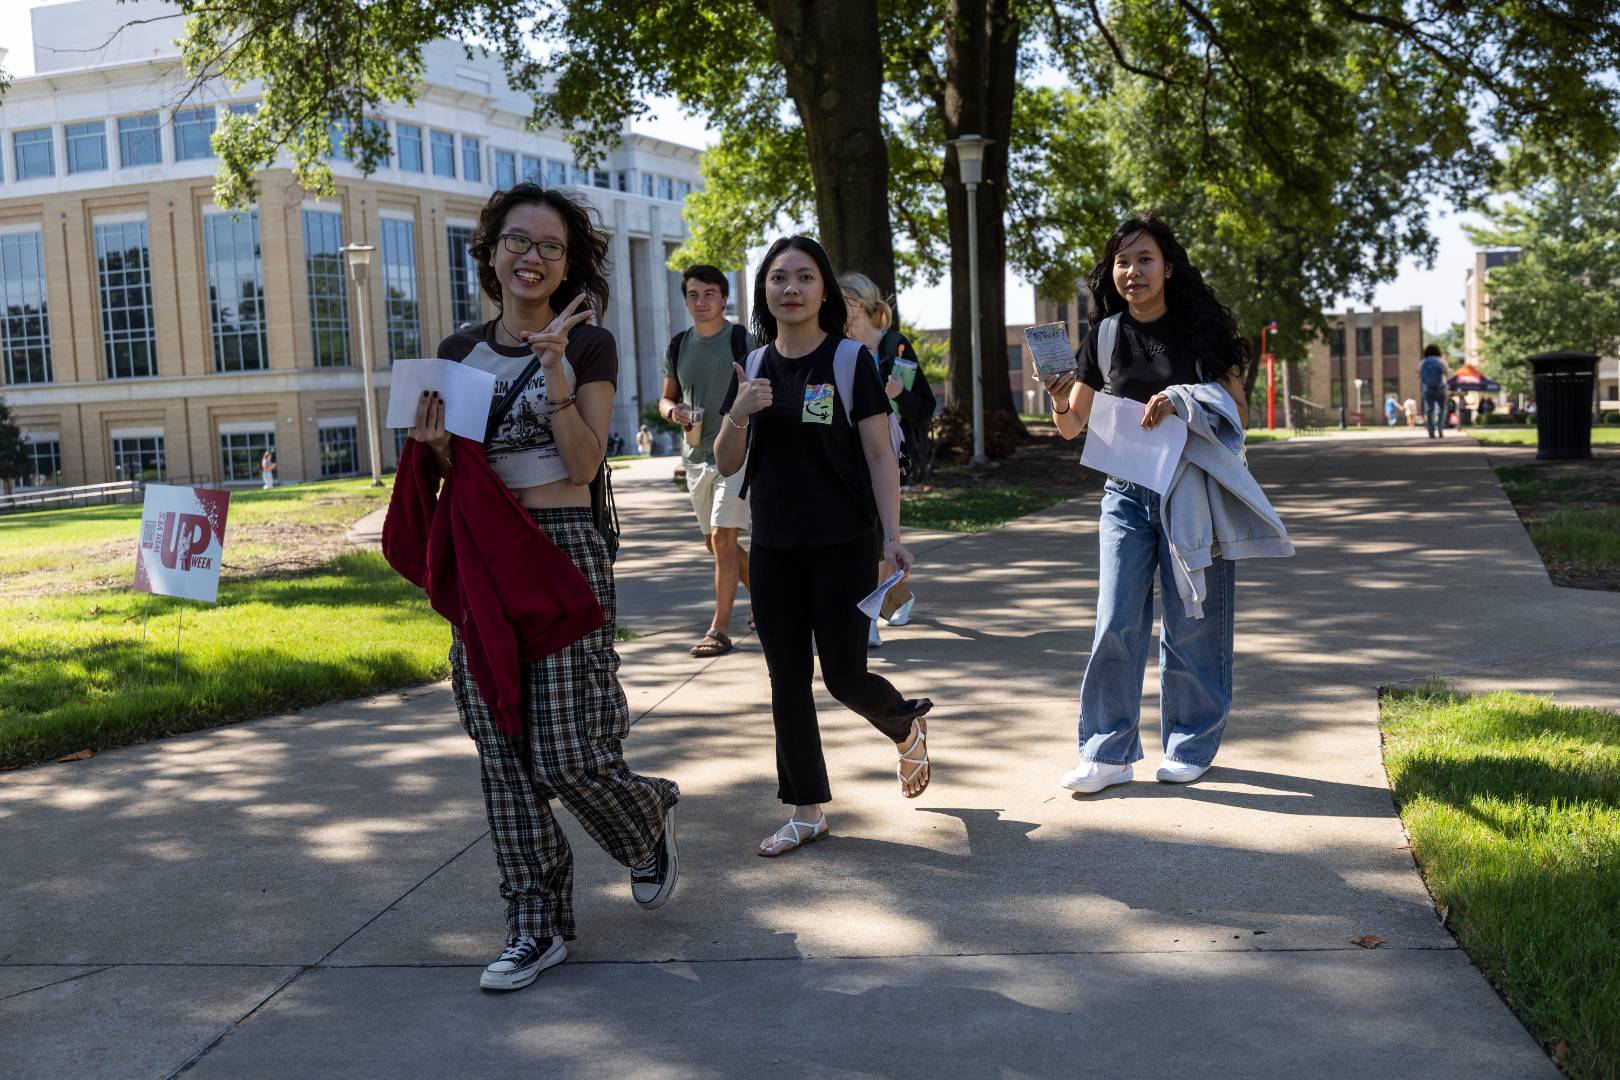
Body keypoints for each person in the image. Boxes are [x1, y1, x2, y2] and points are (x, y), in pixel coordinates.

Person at [407, 183, 678, 992]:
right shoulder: (457, 352)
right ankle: (535, 924)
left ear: (569, 264)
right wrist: (436, 450)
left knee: (564, 753)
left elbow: (585, 463)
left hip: (563, 546)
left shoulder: (589, 344)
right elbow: (464, 470)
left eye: (550, 246)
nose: (532, 257)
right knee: (501, 752)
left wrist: (554, 367)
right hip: (484, 550)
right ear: (490, 253)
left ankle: (643, 815)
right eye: (517, 242)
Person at [713, 235, 934, 857]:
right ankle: (805, 810)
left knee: (843, 676)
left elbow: (878, 454)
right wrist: (739, 413)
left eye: (804, 277)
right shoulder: (753, 366)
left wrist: (892, 539)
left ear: (824, 291)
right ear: (764, 290)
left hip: (844, 540)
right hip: (777, 544)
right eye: (779, 277)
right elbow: (728, 462)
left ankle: (903, 721)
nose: (790, 288)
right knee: (786, 678)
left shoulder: (848, 360)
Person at [1042, 212, 1250, 792]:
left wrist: (1181, 397)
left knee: (1192, 623)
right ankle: (1107, 751)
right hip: (1124, 494)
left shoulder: (1201, 332)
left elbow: (1238, 415)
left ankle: (1191, 741)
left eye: (1145, 259)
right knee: (1115, 618)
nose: (1132, 271)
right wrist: (1061, 400)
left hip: (1192, 491)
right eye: (1122, 261)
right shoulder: (1104, 335)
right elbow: (1071, 425)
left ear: (1168, 266)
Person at [659, 265, 755, 658]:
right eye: (694, 295)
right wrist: (672, 413)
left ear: (724, 297)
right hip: (695, 455)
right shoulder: (679, 344)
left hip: (735, 452)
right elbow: (665, 398)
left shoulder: (741, 340)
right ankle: (770, 603)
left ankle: (719, 629)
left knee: (722, 537)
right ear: (686, 299)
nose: (701, 302)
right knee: (715, 544)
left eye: (710, 293)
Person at [839, 271, 934, 647]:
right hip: (849, 458)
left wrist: (898, 392)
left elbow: (925, 407)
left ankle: (869, 621)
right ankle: (899, 597)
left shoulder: (894, 346)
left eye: (840, 297)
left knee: (878, 536)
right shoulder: (837, 348)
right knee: (873, 536)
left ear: (859, 303)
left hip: (889, 456)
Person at [1419, 344, 1448, 439]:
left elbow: (1420, 375)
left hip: (1427, 388)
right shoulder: (1441, 361)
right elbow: (1446, 372)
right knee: (1442, 408)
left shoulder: (1423, 362)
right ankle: (1440, 429)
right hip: (1441, 387)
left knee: (1429, 409)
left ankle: (1431, 432)